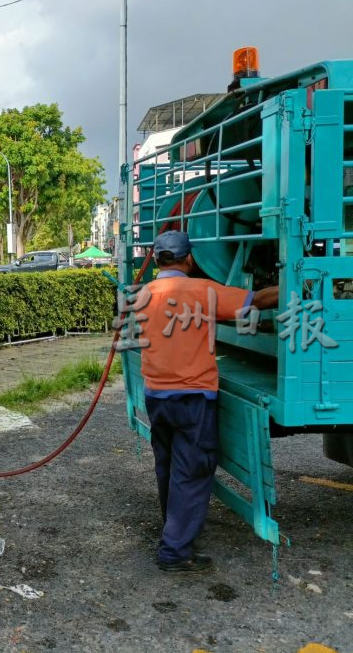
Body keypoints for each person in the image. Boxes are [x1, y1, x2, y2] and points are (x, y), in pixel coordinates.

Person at [135, 231, 278, 572]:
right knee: (193, 470)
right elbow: (255, 301)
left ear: (157, 260)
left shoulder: (143, 294)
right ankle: (175, 552)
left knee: (168, 468)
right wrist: (300, 285)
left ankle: (174, 531)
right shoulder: (202, 291)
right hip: (192, 398)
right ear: (189, 259)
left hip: (157, 395)